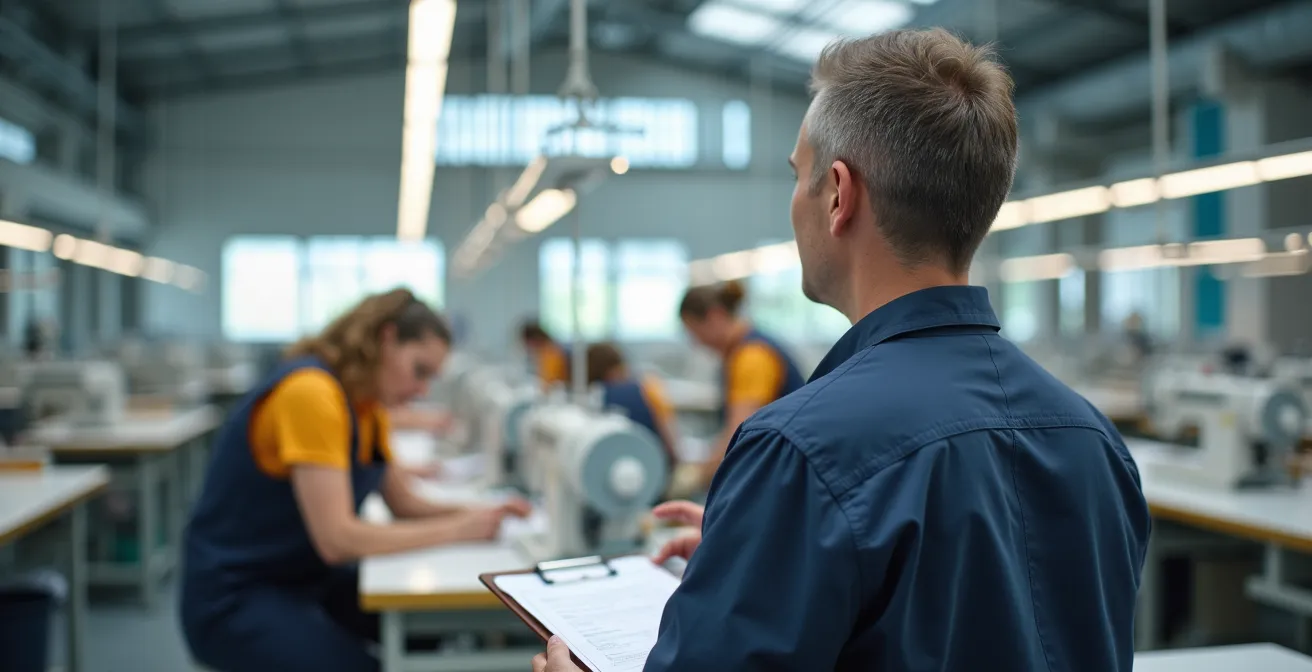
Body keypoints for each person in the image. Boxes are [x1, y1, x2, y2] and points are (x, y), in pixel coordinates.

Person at [535, 28, 1149, 672]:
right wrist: (764, 557)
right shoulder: (1095, 442)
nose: (793, 201)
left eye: (799, 177)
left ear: (837, 194)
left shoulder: (802, 451)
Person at [181, 288, 530, 672]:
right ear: (386, 338)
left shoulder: (367, 407)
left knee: (431, 633)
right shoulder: (311, 394)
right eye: (419, 370)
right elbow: (337, 540)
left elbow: (404, 503)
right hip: (235, 594)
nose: (422, 390)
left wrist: (482, 514)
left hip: (300, 577)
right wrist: (459, 528)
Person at [678, 280, 805, 489]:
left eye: (694, 331)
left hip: (783, 474)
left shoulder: (752, 356)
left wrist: (696, 476)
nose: (697, 343)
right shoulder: (740, 352)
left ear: (715, 316)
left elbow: (737, 436)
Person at [585, 342, 680, 471]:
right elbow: (671, 441)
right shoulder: (649, 388)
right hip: (653, 466)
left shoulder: (590, 396)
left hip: (608, 468)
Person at [520, 319, 570, 389]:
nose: (528, 347)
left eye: (528, 343)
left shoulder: (551, 352)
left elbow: (548, 382)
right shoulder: (543, 353)